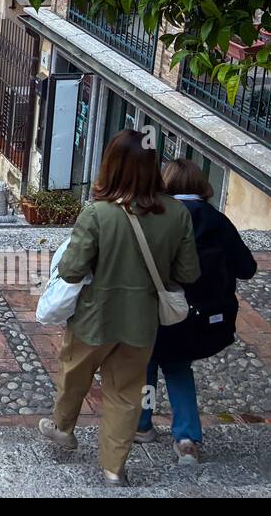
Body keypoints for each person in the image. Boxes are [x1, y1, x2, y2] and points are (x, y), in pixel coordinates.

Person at [38, 130, 201, 487]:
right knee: (127, 393)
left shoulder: (97, 214)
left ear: (111, 165)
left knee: (73, 375)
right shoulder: (177, 214)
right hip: (141, 322)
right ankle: (114, 467)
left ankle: (63, 428)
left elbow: (71, 270)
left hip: (93, 318)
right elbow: (188, 272)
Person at [135, 158, 257, 465]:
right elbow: (247, 268)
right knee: (178, 369)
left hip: (156, 312)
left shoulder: (157, 217)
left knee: (145, 366)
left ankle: (141, 425)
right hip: (198, 317)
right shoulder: (218, 221)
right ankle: (187, 439)